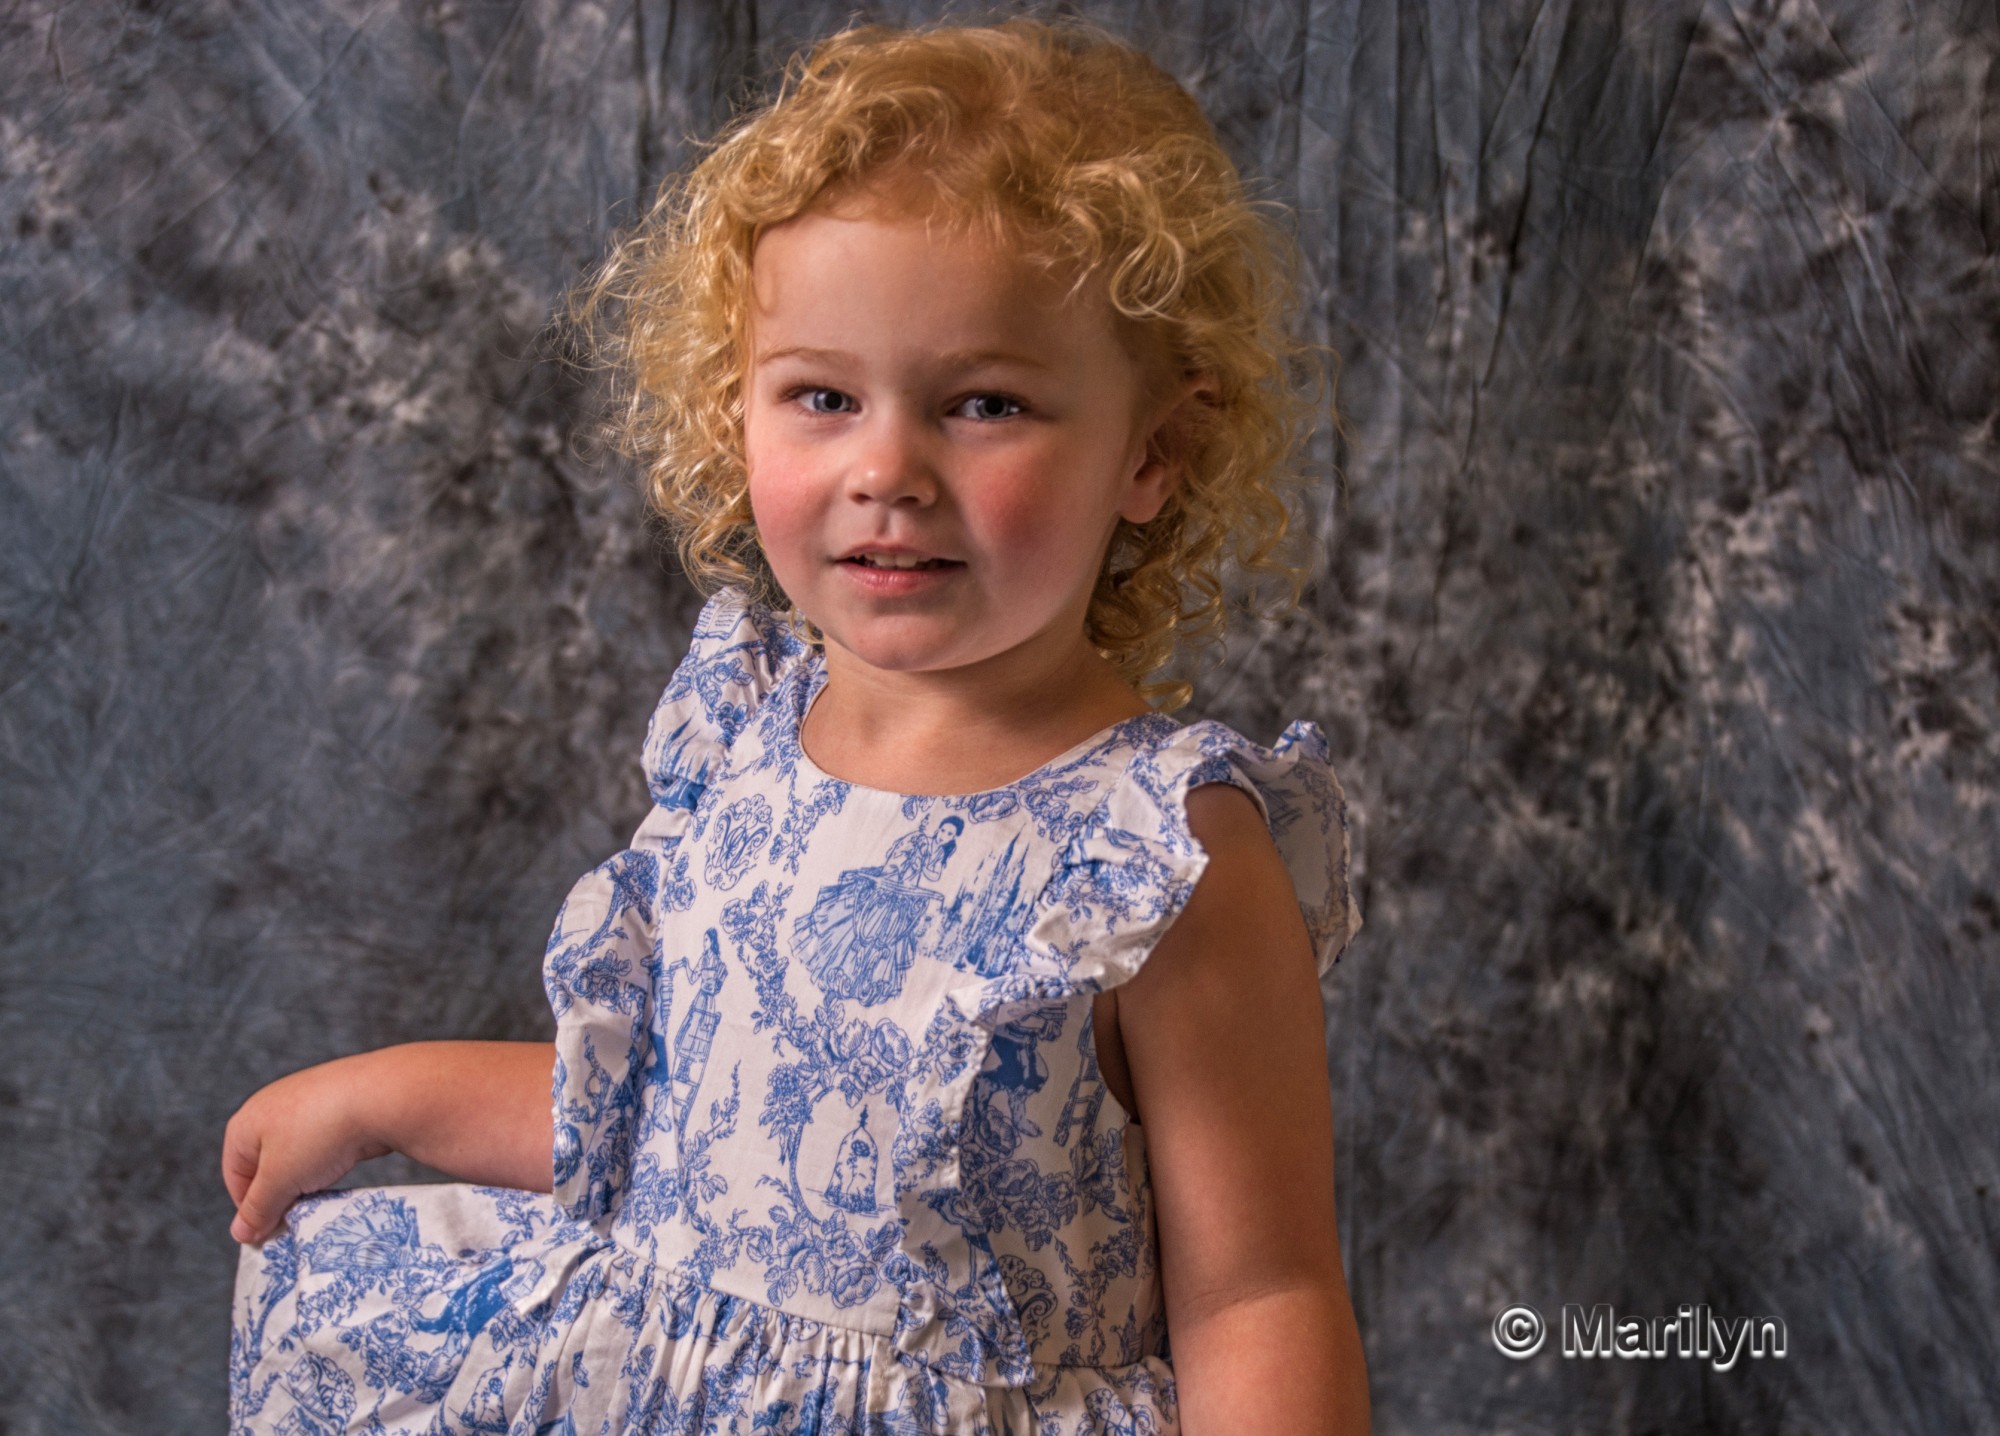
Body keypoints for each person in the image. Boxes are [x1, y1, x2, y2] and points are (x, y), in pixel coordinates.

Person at [223, 17, 1370, 1434]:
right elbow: (677, 1130)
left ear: (1154, 451)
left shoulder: (1160, 861)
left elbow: (1260, 1294)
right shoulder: (743, 739)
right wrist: (387, 1096)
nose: (888, 468)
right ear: (736, 411)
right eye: (823, 396)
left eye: (986, 404)